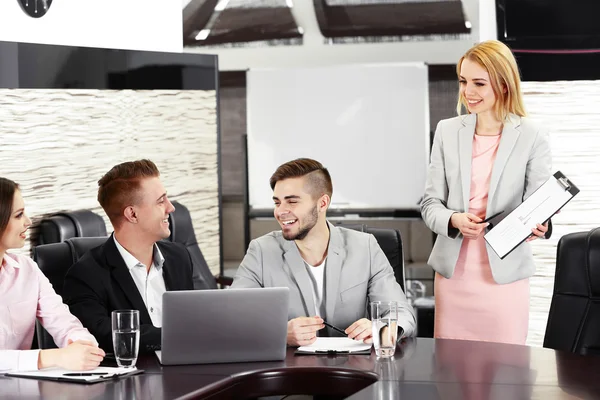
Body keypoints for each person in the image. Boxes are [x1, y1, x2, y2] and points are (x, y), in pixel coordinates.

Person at [421, 40, 552, 345]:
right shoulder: (447, 130)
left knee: (506, 375)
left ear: (504, 85)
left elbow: (539, 203)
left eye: (479, 83)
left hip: (505, 277)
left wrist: (540, 224)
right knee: (453, 376)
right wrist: (454, 220)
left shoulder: (532, 134)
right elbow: (430, 204)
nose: (468, 92)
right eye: (464, 81)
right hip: (454, 277)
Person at [232, 158, 416, 346]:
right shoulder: (261, 251)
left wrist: (381, 329)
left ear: (322, 203)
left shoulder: (365, 247)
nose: (280, 211)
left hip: (354, 368)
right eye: (277, 203)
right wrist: (278, 333)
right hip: (289, 369)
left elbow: (402, 314)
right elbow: (233, 317)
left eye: (292, 202)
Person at [63, 160, 194, 354]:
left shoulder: (178, 257)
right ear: (132, 214)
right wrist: (177, 336)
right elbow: (104, 336)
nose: (170, 208)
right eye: (161, 201)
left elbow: (193, 319)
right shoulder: (86, 274)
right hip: (135, 378)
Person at [0, 177, 105, 372]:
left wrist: (83, 345)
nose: (28, 222)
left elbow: (62, 320)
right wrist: (53, 357)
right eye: (19, 215)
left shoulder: (27, 269)